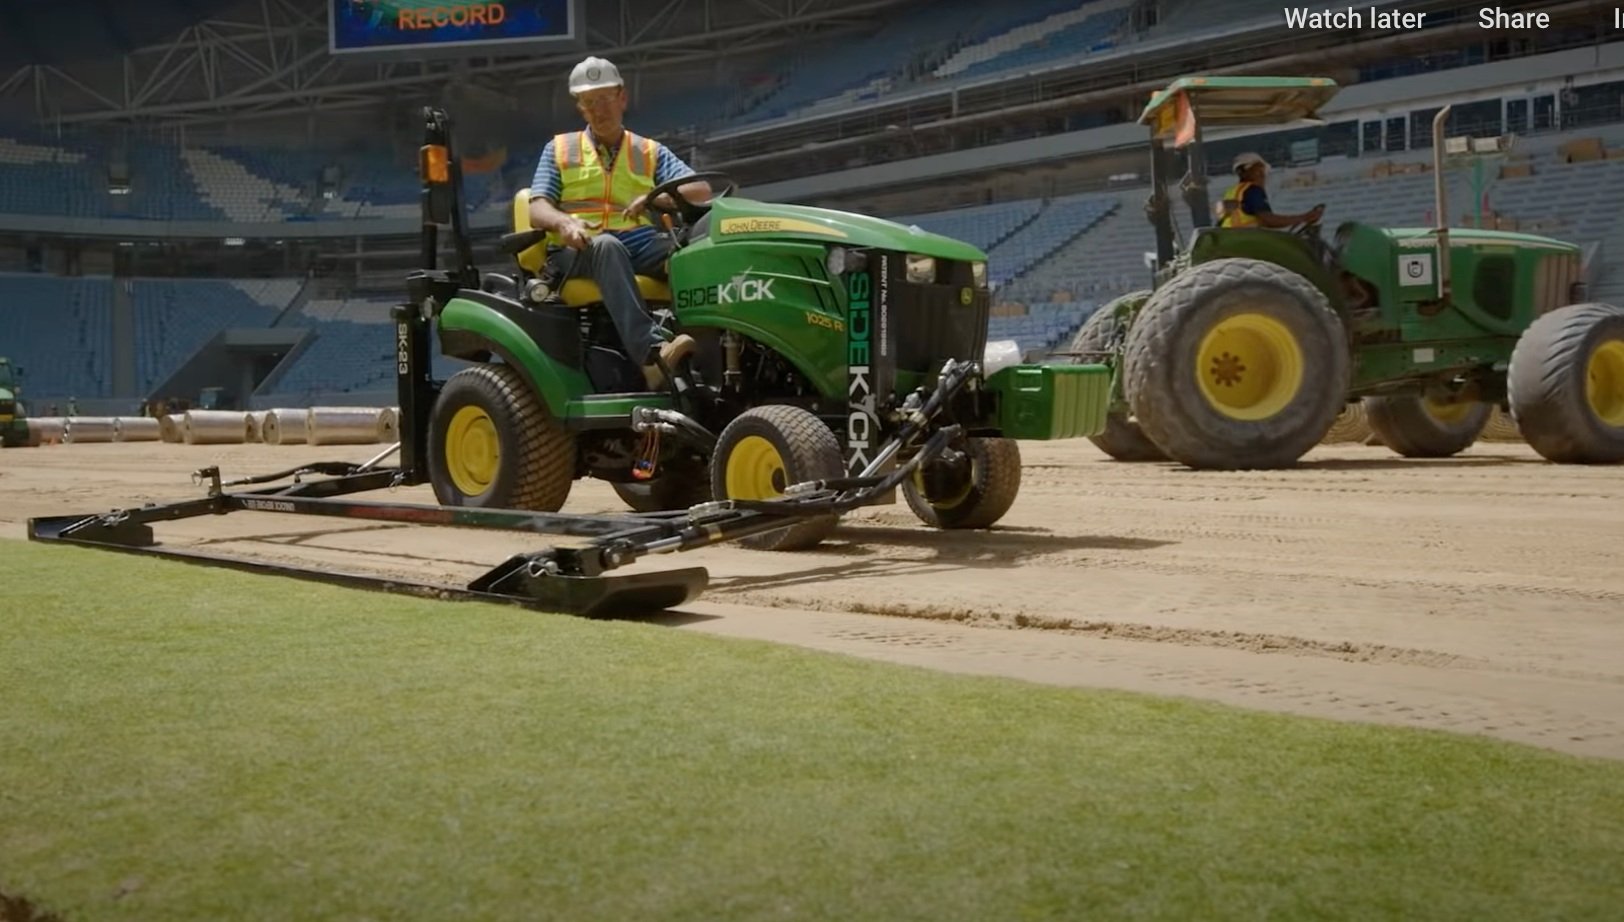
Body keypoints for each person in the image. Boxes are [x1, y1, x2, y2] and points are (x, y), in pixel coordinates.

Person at [526, 55, 713, 390]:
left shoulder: (648, 151)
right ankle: (652, 356)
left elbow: (700, 191)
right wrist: (565, 224)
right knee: (607, 247)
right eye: (589, 102)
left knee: (694, 251)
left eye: (605, 99)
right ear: (580, 107)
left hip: (638, 241)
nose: (599, 109)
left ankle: (710, 347)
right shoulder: (559, 149)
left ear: (622, 98)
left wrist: (655, 197)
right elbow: (537, 208)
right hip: (579, 250)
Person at [1216, 152, 1325, 230]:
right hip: (1249, 241)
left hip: (1230, 241)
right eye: (1261, 171)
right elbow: (1268, 220)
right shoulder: (1252, 190)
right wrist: (1304, 217)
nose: (1263, 176)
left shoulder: (1230, 192)